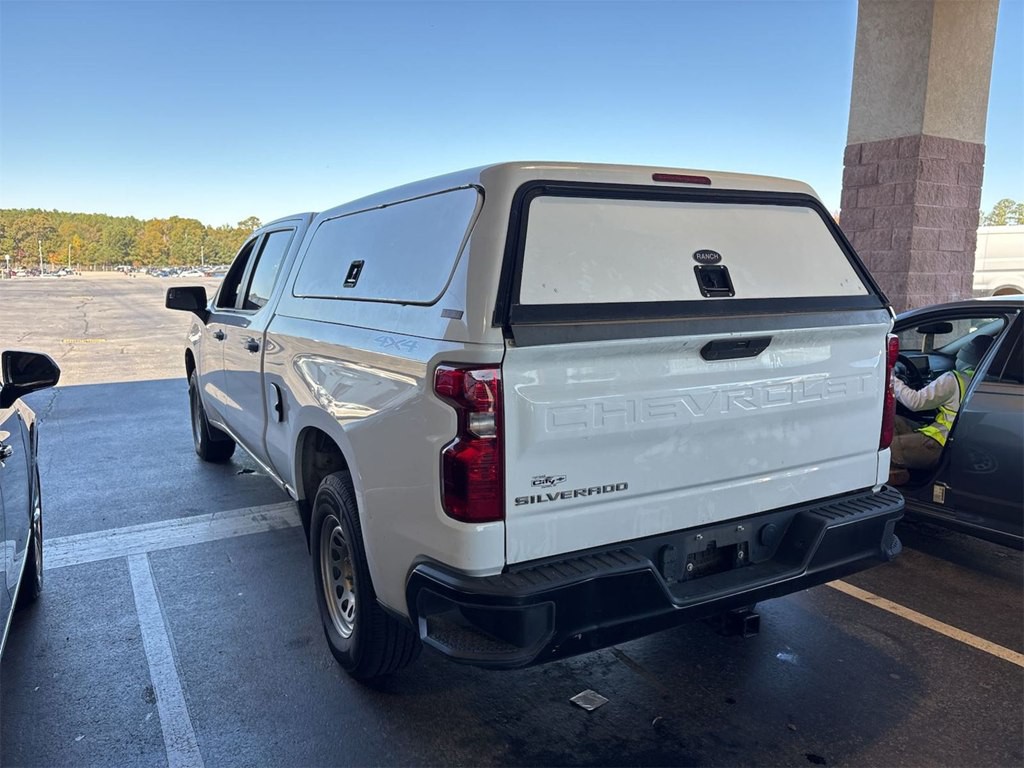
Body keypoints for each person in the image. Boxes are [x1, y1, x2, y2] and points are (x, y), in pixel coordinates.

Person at [889, 334, 993, 483]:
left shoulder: (953, 380)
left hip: (939, 446)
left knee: (884, 447)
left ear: (962, 357)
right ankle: (900, 472)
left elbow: (915, 402)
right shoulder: (986, 381)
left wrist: (891, 379)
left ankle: (897, 481)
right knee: (893, 421)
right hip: (957, 442)